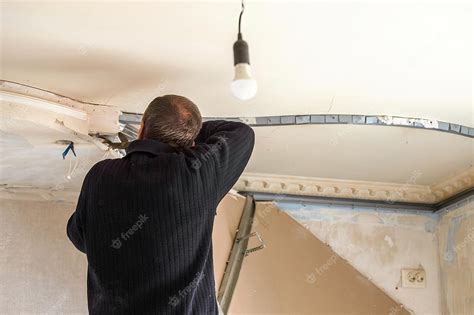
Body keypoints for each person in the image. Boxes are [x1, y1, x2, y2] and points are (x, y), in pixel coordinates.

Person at [66, 95, 255, 314]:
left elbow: (79, 237)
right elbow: (242, 133)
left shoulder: (100, 175)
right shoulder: (195, 172)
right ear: (193, 143)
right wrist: (187, 134)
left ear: (142, 128)